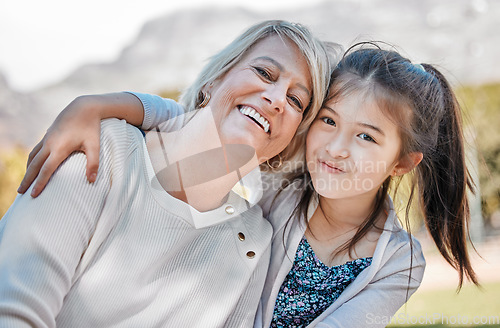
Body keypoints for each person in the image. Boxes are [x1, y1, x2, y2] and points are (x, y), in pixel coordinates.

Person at [13, 45, 478, 326]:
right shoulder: (276, 187)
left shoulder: (399, 261)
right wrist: (103, 104)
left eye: (365, 136)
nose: (336, 148)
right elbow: (202, 121)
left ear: (402, 162)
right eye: (328, 121)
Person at [0, 20, 332, 327]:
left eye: (295, 100)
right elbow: (12, 309)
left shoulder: (253, 244)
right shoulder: (104, 150)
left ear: (289, 140)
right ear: (214, 79)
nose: (276, 99)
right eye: (264, 73)